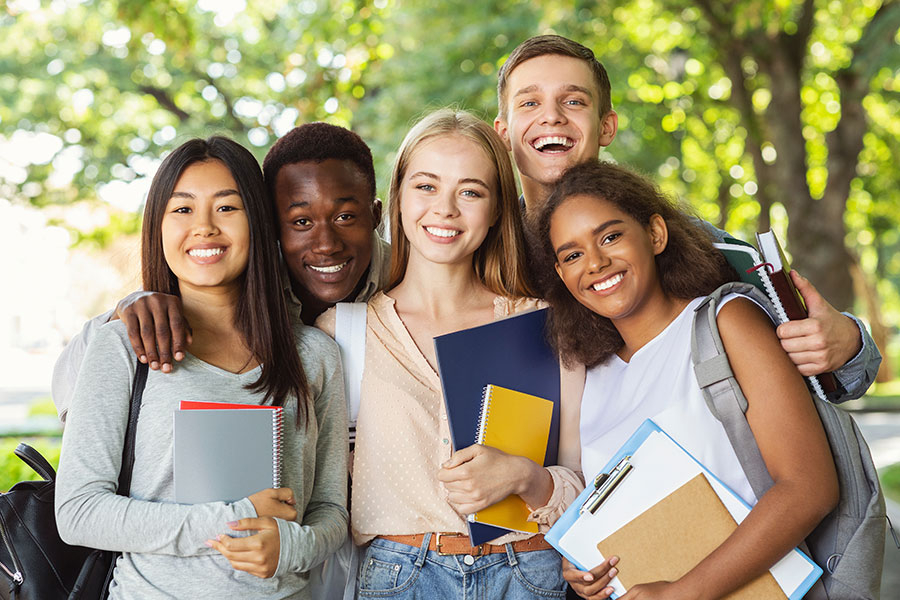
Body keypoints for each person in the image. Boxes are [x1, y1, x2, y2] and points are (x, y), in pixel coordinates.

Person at [493, 34, 880, 401]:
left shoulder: (684, 242)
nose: (552, 117)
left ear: (607, 126)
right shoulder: (481, 252)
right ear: (503, 133)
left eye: (574, 101)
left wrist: (847, 345)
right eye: (529, 103)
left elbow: (822, 374)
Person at [54, 136, 349, 599]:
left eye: (228, 208)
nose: (205, 228)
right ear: (158, 226)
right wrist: (231, 519)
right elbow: (78, 511)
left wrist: (293, 544)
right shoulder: (122, 347)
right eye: (183, 209)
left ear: (259, 221)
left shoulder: (315, 355)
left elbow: (331, 508)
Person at [315, 109, 587, 599]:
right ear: (395, 198)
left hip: (527, 572)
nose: (445, 209)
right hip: (400, 577)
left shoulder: (546, 325)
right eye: (425, 186)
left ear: (498, 207)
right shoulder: (343, 333)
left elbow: (586, 483)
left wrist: (526, 477)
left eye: (470, 191)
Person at [538, 160, 839, 599]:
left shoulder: (726, 321)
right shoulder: (591, 375)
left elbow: (809, 488)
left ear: (655, 234)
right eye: (572, 255)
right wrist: (586, 565)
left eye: (610, 236)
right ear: (562, 275)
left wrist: (685, 592)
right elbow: (617, 505)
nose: (596, 262)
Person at [51, 123, 389, 421]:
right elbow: (70, 396)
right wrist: (124, 313)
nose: (326, 244)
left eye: (345, 217)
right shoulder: (235, 284)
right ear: (269, 224)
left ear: (375, 215)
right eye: (300, 222)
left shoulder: (408, 280)